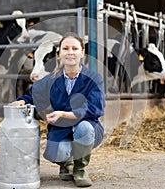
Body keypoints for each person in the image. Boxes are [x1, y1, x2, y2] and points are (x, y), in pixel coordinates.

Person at [12, 32, 105, 187]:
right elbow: (32, 95)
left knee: (84, 128)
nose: (70, 52)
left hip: (86, 126)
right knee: (56, 152)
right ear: (59, 53)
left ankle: (80, 168)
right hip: (61, 128)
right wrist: (22, 101)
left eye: (75, 48)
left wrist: (65, 114)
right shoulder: (51, 79)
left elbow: (96, 108)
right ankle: (65, 164)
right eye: (66, 48)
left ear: (82, 52)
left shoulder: (94, 78)